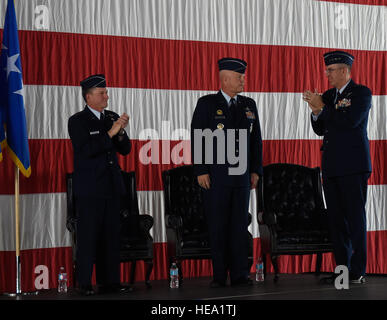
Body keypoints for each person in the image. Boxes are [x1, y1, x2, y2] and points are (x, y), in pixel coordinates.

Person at [191, 58, 263, 287]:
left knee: (239, 227)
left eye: (243, 76)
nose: (243, 80)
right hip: (216, 176)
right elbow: (198, 139)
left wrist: (255, 170)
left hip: (241, 176)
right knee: (218, 226)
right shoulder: (207, 104)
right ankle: (220, 276)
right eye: (239, 76)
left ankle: (241, 274)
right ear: (224, 79)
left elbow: (256, 141)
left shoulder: (249, 104)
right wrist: (201, 170)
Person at [303, 51, 372, 284]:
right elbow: (321, 129)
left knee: (355, 220)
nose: (327, 74)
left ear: (344, 70)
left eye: (331, 70)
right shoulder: (328, 95)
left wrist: (322, 109)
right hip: (331, 167)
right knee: (336, 222)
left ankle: (358, 270)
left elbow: (350, 122)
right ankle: (342, 270)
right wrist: (315, 112)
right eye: (326, 70)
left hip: (353, 166)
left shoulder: (361, 93)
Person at [68, 74, 132, 295]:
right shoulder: (77, 121)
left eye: (106, 92)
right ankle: (84, 283)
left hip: (112, 187)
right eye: (101, 93)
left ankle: (110, 281)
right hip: (90, 188)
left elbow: (125, 150)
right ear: (88, 97)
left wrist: (120, 132)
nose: (107, 96)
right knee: (88, 237)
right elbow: (86, 151)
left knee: (111, 237)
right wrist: (111, 132)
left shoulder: (111, 117)